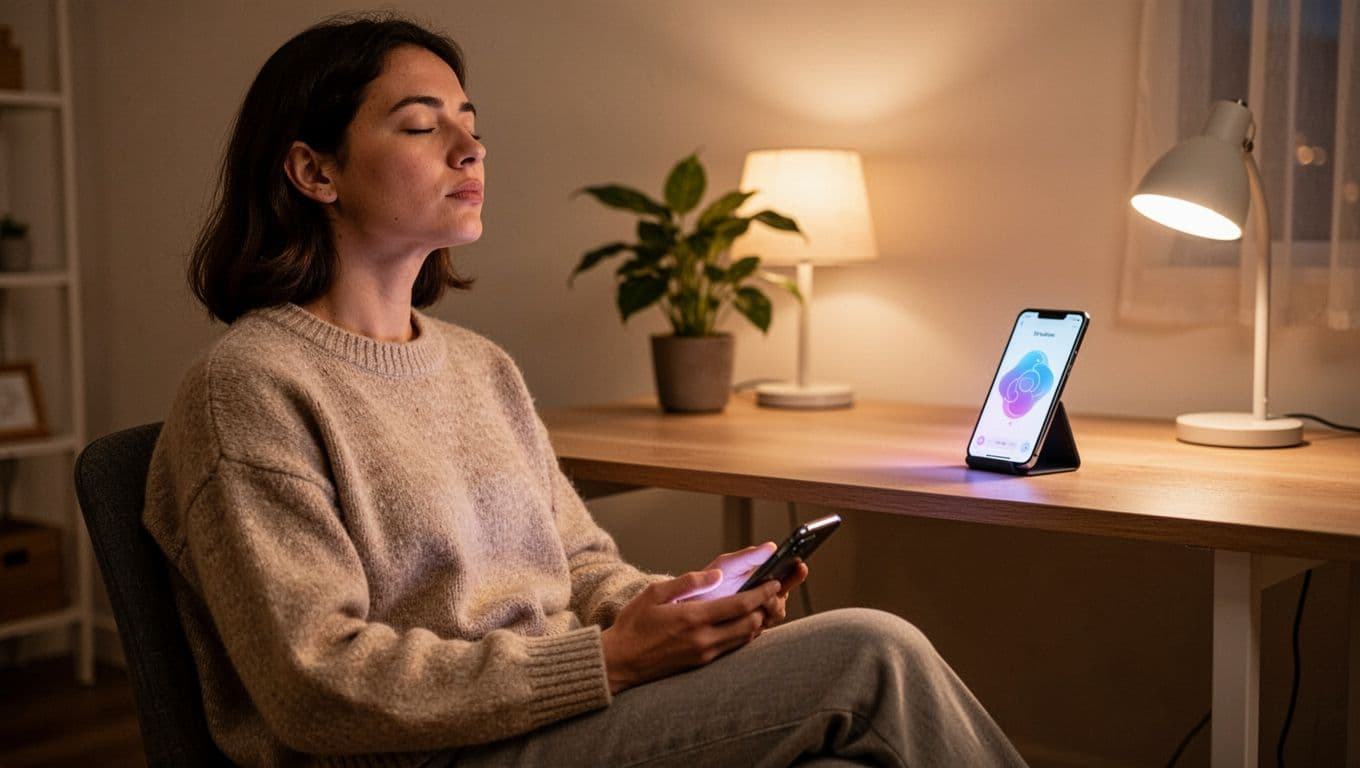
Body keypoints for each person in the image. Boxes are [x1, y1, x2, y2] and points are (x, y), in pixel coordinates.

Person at [144, 13, 1028, 768]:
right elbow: (316, 683)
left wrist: (673, 606)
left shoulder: (478, 365)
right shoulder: (249, 388)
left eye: (470, 121)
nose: (470, 146)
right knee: (871, 651)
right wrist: (610, 661)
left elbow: (576, 566)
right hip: (437, 753)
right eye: (421, 127)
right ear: (315, 171)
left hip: (555, 712)